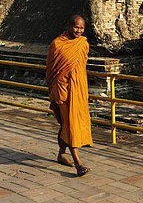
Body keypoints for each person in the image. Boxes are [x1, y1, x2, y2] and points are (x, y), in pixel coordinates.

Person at [46, 14, 92, 176]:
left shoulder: (83, 44)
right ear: (68, 26)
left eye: (81, 28)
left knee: (68, 123)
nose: (79, 31)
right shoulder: (57, 45)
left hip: (78, 89)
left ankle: (61, 154)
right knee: (70, 123)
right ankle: (78, 164)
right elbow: (51, 71)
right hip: (62, 90)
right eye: (76, 27)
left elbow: (80, 67)